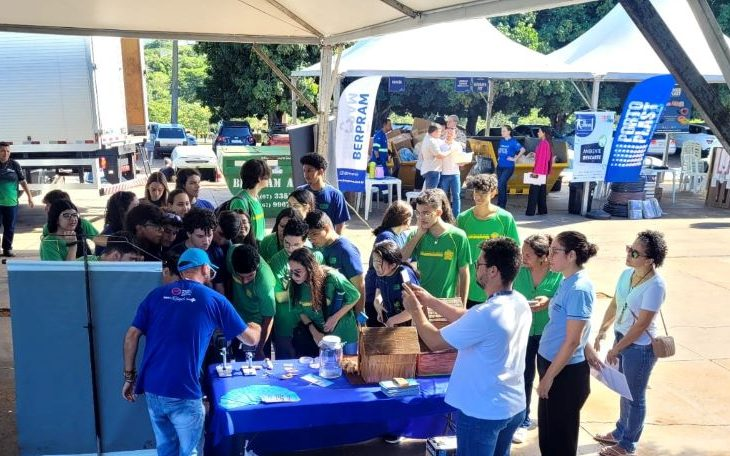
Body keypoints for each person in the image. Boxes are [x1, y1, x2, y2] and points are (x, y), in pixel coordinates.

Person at [122, 248, 261, 456]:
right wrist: (256, 326)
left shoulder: (156, 295)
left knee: (166, 449)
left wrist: (129, 377)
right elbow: (250, 340)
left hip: (152, 387)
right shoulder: (214, 299)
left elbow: (131, 336)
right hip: (184, 389)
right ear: (205, 269)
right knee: (191, 452)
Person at [401, 237, 531, 456]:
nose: (475, 268)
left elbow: (434, 341)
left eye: (479, 264)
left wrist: (415, 310)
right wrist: (431, 301)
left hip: (483, 412)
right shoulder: (518, 301)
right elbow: (468, 317)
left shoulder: (486, 314)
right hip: (512, 406)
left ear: (493, 271)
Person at [590, 231, 668, 456]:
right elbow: (616, 303)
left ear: (650, 260)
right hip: (621, 339)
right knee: (624, 391)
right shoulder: (627, 274)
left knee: (635, 397)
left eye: (634, 252)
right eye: (628, 248)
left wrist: (617, 348)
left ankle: (627, 445)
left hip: (639, 348)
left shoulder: (655, 286)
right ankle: (620, 431)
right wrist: (603, 331)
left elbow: (641, 325)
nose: (628, 254)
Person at [537, 231, 598, 456]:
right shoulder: (567, 281)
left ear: (571, 255)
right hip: (553, 364)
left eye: (555, 252)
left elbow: (572, 340)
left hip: (564, 373)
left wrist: (549, 377)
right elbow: (574, 326)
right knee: (548, 433)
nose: (549, 256)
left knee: (560, 439)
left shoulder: (579, 288)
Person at [510, 234, 563, 444]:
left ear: (543, 256)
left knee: (548, 376)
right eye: (523, 253)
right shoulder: (518, 271)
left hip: (548, 334)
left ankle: (549, 419)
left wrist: (548, 301)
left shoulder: (557, 274)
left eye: (528, 254)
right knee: (524, 375)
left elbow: (563, 300)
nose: (523, 257)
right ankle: (522, 420)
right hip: (522, 332)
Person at [457, 174, 519, 309]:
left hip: (496, 287)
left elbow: (514, 253)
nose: (478, 196)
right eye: (476, 192)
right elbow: (458, 253)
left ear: (494, 192)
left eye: (483, 193)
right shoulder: (463, 218)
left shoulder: (505, 218)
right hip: (469, 287)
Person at [267, 218, 325, 359]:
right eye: (287, 243)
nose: (291, 248)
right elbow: (279, 297)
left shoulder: (316, 256)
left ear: (305, 241)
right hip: (286, 324)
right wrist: (305, 293)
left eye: (296, 245)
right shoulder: (276, 261)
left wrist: (294, 293)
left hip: (312, 323)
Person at [402, 189, 471, 305]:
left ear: (439, 212)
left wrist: (462, 305)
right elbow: (402, 259)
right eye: (418, 213)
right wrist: (419, 234)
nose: (420, 217)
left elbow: (464, 273)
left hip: (446, 303)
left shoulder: (458, 236)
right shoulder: (416, 235)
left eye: (426, 213)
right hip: (420, 302)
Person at [288, 247, 361, 356]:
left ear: (309, 268)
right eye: (291, 271)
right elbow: (299, 311)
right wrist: (314, 332)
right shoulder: (295, 286)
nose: (294, 276)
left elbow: (355, 295)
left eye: (298, 272)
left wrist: (334, 318)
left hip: (345, 331)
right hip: (322, 335)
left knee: (350, 367)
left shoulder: (332, 277)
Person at [305, 210, 365, 313]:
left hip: (346, 313)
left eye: (314, 234)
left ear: (327, 228)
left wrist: (360, 317)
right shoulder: (319, 246)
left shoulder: (346, 251)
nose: (312, 240)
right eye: (309, 237)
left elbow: (360, 287)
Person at [365, 200, 413, 326]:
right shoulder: (386, 237)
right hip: (379, 290)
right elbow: (395, 262)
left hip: (392, 294)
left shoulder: (401, 235)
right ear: (404, 218)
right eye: (411, 217)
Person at [227, 244, 276, 360]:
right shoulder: (232, 254)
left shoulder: (265, 283)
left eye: (250, 276)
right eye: (240, 276)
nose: (244, 282)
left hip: (258, 327)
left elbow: (269, 318)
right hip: (237, 320)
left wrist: (260, 349)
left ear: (257, 267)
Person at [371, 240, 419, 327]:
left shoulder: (405, 276)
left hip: (409, 325)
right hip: (391, 322)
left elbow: (415, 308)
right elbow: (379, 290)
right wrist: (377, 302)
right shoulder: (381, 272)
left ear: (393, 265)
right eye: (374, 261)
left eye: (379, 263)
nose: (376, 266)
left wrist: (392, 321)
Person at [298, 153, 349, 234]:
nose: (305, 175)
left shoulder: (335, 195)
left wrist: (334, 243)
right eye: (304, 171)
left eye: (309, 170)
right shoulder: (300, 192)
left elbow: (340, 224)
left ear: (321, 171)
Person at [0, 142, 34, 257]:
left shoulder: (14, 164)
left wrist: (30, 197)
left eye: (8, 151)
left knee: (9, 227)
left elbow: (23, 181)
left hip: (11, 203)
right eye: (3, 151)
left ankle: (7, 249)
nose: (5, 153)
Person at [229, 158, 271, 241]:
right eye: (267, 176)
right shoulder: (240, 202)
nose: (269, 179)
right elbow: (238, 234)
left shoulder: (256, 198)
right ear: (259, 178)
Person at [209, 210, 243, 295]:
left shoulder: (229, 247)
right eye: (220, 234)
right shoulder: (200, 241)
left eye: (227, 238)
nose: (222, 241)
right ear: (215, 223)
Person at [96, 191, 138, 255]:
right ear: (123, 211)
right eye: (136, 207)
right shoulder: (109, 234)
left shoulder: (133, 227)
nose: (140, 209)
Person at [496, 126, 526, 209]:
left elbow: (523, 149)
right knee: (502, 185)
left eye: (504, 131)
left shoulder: (513, 142)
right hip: (499, 166)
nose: (502, 133)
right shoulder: (501, 141)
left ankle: (501, 205)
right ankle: (501, 203)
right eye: (502, 131)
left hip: (508, 167)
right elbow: (500, 151)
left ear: (509, 132)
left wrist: (515, 158)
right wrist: (499, 157)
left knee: (501, 183)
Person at [526, 127, 553, 216]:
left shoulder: (543, 143)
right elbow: (547, 158)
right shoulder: (547, 143)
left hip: (539, 171)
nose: (538, 133)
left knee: (533, 193)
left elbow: (541, 160)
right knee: (541, 192)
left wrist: (535, 172)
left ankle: (530, 212)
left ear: (544, 133)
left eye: (539, 131)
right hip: (543, 171)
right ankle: (542, 210)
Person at [437, 127, 464, 215]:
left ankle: (457, 216)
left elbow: (460, 160)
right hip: (444, 174)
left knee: (456, 196)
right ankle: (444, 215)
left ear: (455, 135)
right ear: (445, 133)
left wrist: (463, 162)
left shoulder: (458, 145)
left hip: (455, 174)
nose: (449, 135)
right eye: (448, 133)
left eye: (451, 133)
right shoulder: (440, 144)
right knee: (443, 196)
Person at [420, 125, 444, 189]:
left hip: (428, 169)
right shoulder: (432, 141)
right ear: (435, 132)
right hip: (432, 170)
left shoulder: (427, 138)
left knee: (429, 192)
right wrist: (450, 151)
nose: (440, 134)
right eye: (439, 132)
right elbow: (439, 155)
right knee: (431, 193)